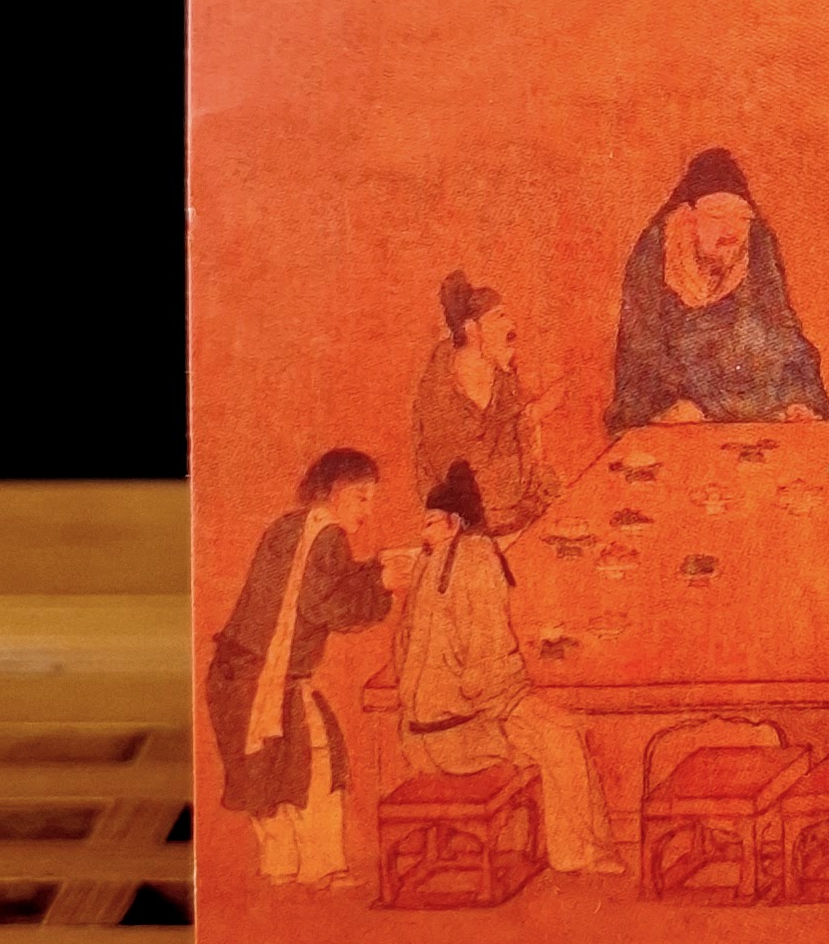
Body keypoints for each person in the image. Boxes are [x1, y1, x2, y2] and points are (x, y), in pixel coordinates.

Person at [390, 460, 619, 873]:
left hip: (417, 735)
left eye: (430, 524)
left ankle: (576, 848)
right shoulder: (477, 558)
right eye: (428, 524)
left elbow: (405, 648)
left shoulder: (426, 564)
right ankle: (582, 854)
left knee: (549, 725)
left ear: (454, 524)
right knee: (563, 736)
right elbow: (487, 668)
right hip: (459, 738)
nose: (425, 533)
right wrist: (519, 690)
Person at [204, 448, 412, 887]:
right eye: (361, 498)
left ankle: (281, 868)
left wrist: (373, 567)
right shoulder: (328, 534)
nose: (367, 511)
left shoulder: (290, 527)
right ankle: (323, 868)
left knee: (268, 771)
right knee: (317, 760)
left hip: (236, 677)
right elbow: (326, 605)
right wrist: (383, 584)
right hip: (268, 680)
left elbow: (312, 586)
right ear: (335, 492)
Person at [609, 146, 829, 429]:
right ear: (688, 217)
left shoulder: (757, 246)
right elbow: (640, 346)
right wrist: (669, 403)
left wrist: (798, 399)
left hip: (755, 408)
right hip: (682, 408)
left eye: (742, 218)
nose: (731, 231)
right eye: (717, 216)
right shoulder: (655, 252)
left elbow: (782, 330)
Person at [410, 271, 561, 532]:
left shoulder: (500, 375)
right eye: (499, 316)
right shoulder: (440, 391)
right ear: (472, 329)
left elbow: (524, 452)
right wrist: (533, 415)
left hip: (519, 518)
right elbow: (468, 486)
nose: (510, 324)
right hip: (468, 531)